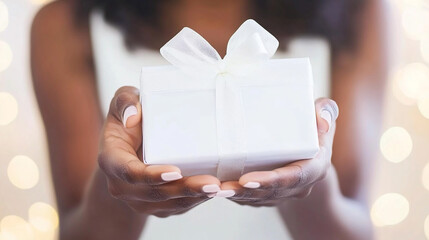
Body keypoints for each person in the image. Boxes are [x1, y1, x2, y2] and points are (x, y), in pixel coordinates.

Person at [31, 0, 387, 239]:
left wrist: (310, 188)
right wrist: (121, 192)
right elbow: (77, 233)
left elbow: (356, 229)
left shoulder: (358, 12)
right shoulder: (64, 23)